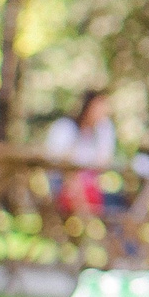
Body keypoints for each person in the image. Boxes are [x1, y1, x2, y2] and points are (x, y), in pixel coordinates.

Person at [43, 90, 116, 218]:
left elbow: (103, 163)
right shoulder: (65, 127)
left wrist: (105, 130)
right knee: (75, 183)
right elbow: (56, 160)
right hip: (61, 182)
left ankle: (89, 224)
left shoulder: (100, 131)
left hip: (89, 184)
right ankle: (89, 224)